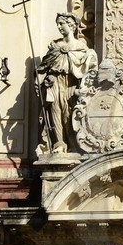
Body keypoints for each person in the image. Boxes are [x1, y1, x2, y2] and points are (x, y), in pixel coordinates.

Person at [37, 12, 97, 153]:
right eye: (57, 24)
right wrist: (46, 80)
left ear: (71, 25)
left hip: (71, 84)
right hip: (55, 84)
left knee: (69, 112)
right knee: (54, 111)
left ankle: (73, 144)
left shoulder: (81, 47)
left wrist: (90, 58)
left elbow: (88, 66)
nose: (58, 27)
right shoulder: (55, 47)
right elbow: (43, 68)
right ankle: (59, 142)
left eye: (61, 23)